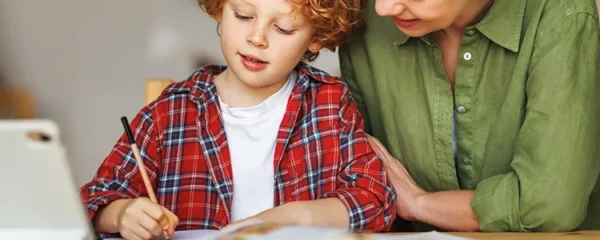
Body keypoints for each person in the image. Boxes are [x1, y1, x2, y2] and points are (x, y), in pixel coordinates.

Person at [79, 0, 397, 239]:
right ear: (220, 9)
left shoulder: (329, 103)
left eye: (283, 28)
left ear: (316, 37)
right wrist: (123, 215)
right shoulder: (172, 110)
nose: (256, 38)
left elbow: (375, 200)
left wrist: (285, 218)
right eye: (243, 16)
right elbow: (94, 200)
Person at [339, 0, 600, 232]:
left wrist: (419, 204)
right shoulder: (365, 21)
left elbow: (551, 204)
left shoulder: (561, 13)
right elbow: (359, 182)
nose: (383, 8)